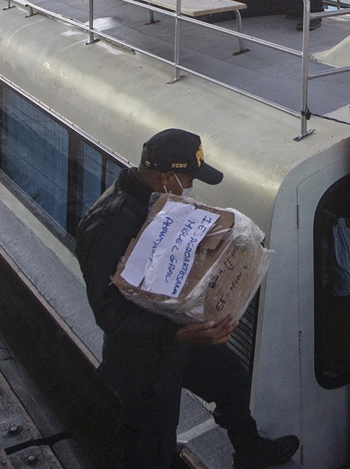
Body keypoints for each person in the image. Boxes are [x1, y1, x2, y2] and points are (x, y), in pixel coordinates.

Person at [76, 129, 299, 469]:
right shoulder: (110, 225)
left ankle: (250, 449)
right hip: (142, 357)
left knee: (231, 381)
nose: (191, 187)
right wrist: (177, 334)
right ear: (165, 178)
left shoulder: (161, 201)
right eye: (188, 179)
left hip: (181, 335)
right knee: (150, 447)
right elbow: (108, 312)